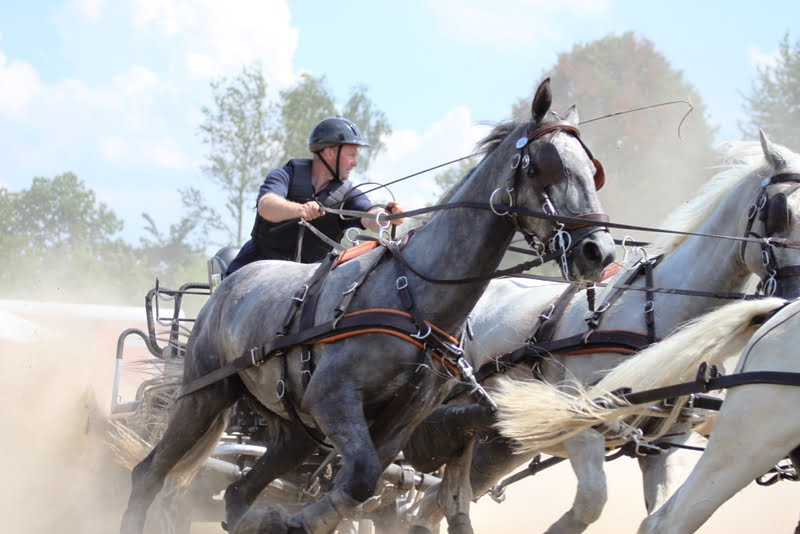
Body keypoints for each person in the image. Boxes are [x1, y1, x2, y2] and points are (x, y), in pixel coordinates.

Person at [225, 116, 404, 275]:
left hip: (307, 285)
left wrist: (386, 216)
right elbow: (266, 206)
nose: (355, 163)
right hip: (253, 272)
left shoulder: (348, 195)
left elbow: (368, 215)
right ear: (329, 152)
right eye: (351, 155)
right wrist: (300, 209)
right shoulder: (284, 175)